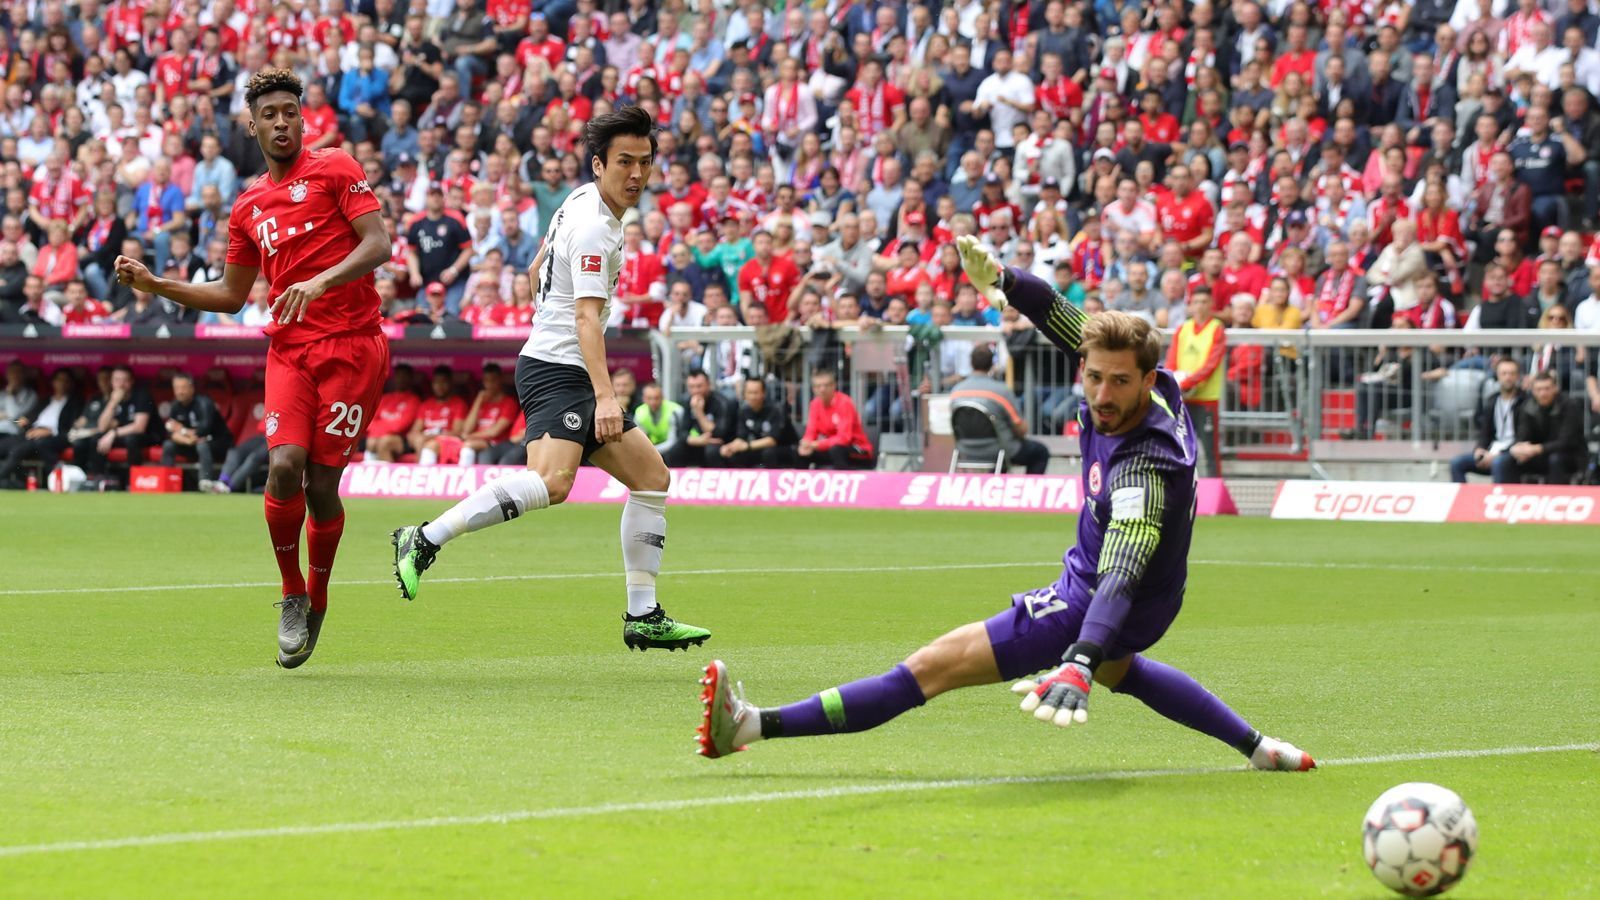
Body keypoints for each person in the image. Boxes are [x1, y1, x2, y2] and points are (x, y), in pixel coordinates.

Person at [696, 237, 1315, 774]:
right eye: (1093, 376)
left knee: (928, 668)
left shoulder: (1143, 468)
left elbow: (1121, 568)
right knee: (1125, 670)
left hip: (1094, 603)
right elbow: (1060, 316)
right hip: (1146, 599)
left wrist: (1077, 656)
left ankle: (748, 726)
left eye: (1118, 382)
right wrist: (1003, 280)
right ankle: (1258, 747)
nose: (1102, 393)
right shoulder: (1153, 383)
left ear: (1147, 379)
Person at [391, 107, 711, 652]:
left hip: (565, 366)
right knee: (553, 483)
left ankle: (643, 615)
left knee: (652, 478)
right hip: (559, 370)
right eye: (624, 163)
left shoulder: (584, 204)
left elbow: (538, 264)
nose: (636, 174)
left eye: (645, 163)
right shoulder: (594, 227)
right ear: (598, 163)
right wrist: (606, 397)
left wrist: (544, 283)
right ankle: (422, 538)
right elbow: (586, 318)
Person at [114, 67, 392, 669]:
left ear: (302, 117)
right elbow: (231, 294)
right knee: (283, 467)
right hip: (290, 349)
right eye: (270, 115)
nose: (282, 122)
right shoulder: (246, 205)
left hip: (352, 346)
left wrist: (319, 281)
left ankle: (318, 596)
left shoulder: (337, 168)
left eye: (290, 111)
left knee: (322, 485)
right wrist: (158, 283)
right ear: (253, 126)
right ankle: (293, 592)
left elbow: (378, 245)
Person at [949, 345, 1051, 475]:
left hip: (965, 449)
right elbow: (1020, 428)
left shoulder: (956, 392)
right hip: (1000, 450)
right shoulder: (1001, 391)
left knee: (1003, 453)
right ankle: (1027, 493)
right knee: (1040, 452)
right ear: (992, 364)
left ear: (971, 363)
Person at [1165, 288, 1225, 477]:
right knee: (1181, 447)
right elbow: (1171, 360)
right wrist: (1174, 380)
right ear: (1190, 305)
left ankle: (1215, 487)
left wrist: (1187, 382)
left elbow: (1211, 364)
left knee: (1210, 449)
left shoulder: (1216, 328)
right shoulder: (1183, 329)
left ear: (1211, 305)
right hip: (1183, 400)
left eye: (1204, 302)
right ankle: (1183, 487)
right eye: (1196, 302)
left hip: (1207, 399)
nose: (1200, 306)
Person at [1449, 358, 1527, 483]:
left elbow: (1524, 436)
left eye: (1512, 373)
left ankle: (1498, 499)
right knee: (1457, 463)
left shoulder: (1525, 401)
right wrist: (1479, 448)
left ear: (1518, 376)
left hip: (1513, 454)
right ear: (1497, 376)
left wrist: (1498, 454)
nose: (1508, 377)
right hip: (1493, 450)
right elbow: (1484, 431)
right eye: (1504, 373)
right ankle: (1464, 500)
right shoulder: (1492, 400)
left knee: (1498, 462)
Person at [0, 368, 79, 488]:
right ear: (53, 382)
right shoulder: (45, 400)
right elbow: (23, 419)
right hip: (31, 433)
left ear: (71, 384)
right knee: (4, 444)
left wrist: (49, 431)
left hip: (52, 436)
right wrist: (20, 421)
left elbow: (71, 427)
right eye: (59, 380)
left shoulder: (75, 403)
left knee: (18, 450)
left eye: (66, 380)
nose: (62, 383)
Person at [1505, 371, 1586, 484]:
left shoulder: (1570, 405)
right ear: (1533, 391)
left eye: (1547, 388)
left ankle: (1556, 497)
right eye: (1539, 389)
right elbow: (1522, 435)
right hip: (1537, 455)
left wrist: (1537, 449)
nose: (1543, 393)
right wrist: (1519, 448)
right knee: (1504, 461)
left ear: (1555, 388)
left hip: (1569, 455)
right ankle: (1509, 497)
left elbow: (1567, 442)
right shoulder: (1527, 407)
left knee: (1555, 459)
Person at [161, 372, 233, 489]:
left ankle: (205, 482)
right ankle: (166, 481)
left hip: (218, 443)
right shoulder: (175, 406)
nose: (180, 391)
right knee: (168, 445)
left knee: (202, 445)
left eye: (183, 387)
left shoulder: (204, 403)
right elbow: (171, 433)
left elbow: (203, 431)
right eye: (177, 388)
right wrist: (187, 440)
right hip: (191, 442)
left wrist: (182, 430)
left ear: (192, 388)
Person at [797, 369, 874, 469]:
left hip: (858, 449)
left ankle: (845, 483)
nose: (822, 389)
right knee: (800, 453)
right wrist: (806, 443)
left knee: (837, 450)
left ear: (834, 385)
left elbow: (844, 438)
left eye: (826, 385)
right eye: (818, 386)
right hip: (832, 448)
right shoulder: (814, 404)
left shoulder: (844, 402)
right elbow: (811, 431)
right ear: (813, 389)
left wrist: (817, 444)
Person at [721, 378, 796, 468]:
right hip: (758, 447)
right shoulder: (744, 411)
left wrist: (747, 446)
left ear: (763, 393)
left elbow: (772, 441)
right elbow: (741, 437)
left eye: (756, 393)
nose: (752, 397)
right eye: (749, 393)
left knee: (768, 452)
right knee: (734, 454)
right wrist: (730, 447)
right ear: (744, 394)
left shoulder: (777, 409)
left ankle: (772, 480)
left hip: (784, 448)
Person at [633, 381, 684, 462]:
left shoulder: (675, 411)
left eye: (656, 398)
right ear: (643, 398)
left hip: (673, 446)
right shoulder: (639, 412)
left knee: (675, 451)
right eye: (649, 398)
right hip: (654, 445)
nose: (653, 402)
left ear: (662, 397)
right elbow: (641, 440)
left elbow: (673, 440)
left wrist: (652, 451)